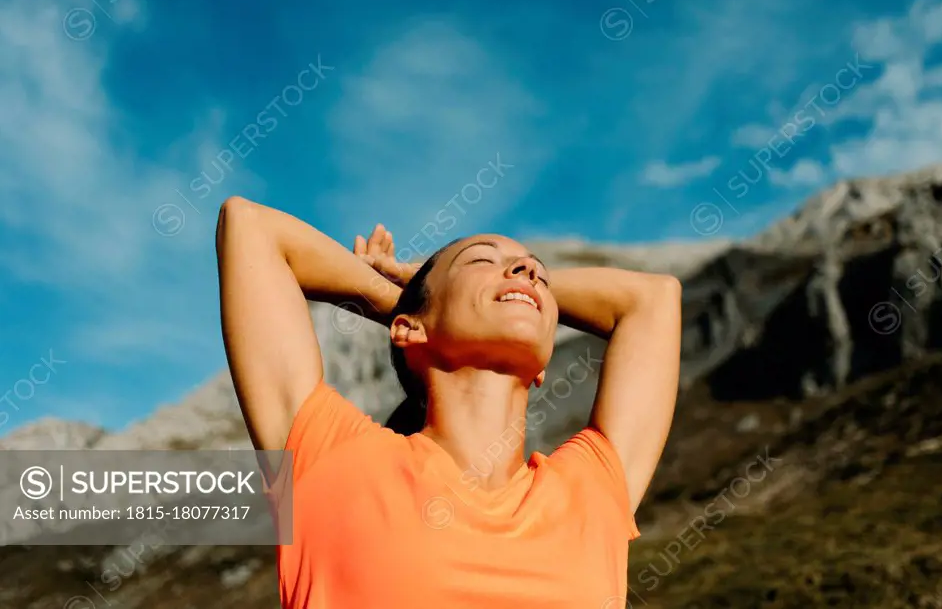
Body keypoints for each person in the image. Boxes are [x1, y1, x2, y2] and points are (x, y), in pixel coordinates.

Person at [215, 196, 682, 609]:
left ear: (543, 368)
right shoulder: (332, 459)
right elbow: (250, 226)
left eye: (535, 269)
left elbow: (654, 299)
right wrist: (409, 302)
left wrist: (470, 293)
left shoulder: (590, 492)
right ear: (407, 330)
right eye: (480, 260)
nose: (529, 271)